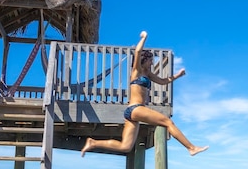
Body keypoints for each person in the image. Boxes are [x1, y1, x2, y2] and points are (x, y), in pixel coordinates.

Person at [81, 31, 209, 157]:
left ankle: (93, 142)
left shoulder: (148, 74)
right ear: (144, 60)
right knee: (167, 122)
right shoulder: (137, 71)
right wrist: (144, 37)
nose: (152, 63)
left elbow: (163, 81)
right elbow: (137, 51)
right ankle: (191, 148)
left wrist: (178, 76)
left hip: (131, 112)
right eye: (150, 61)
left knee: (125, 146)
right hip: (135, 108)